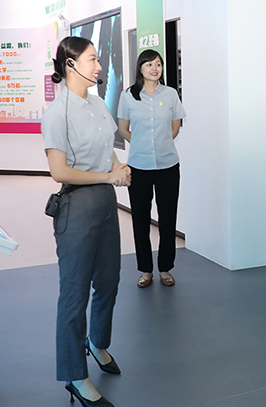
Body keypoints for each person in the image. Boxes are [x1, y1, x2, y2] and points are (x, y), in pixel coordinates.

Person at [42, 36, 132, 407]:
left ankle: (97, 343)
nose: (98, 66)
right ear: (70, 64)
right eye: (92, 59)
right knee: (74, 294)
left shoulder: (96, 104)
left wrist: (118, 168)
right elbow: (59, 171)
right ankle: (76, 376)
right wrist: (108, 176)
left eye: (97, 59)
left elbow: (108, 149)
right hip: (77, 207)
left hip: (106, 202)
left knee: (109, 281)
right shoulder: (57, 113)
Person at [117, 49, 186, 288]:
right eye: (149, 64)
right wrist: (141, 144)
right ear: (140, 68)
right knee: (140, 220)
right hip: (139, 166)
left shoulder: (170, 94)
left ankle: (165, 267)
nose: (154, 68)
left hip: (168, 165)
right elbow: (123, 129)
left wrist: (160, 144)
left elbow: (175, 128)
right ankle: (145, 269)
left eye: (158, 64)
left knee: (167, 218)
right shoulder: (128, 96)